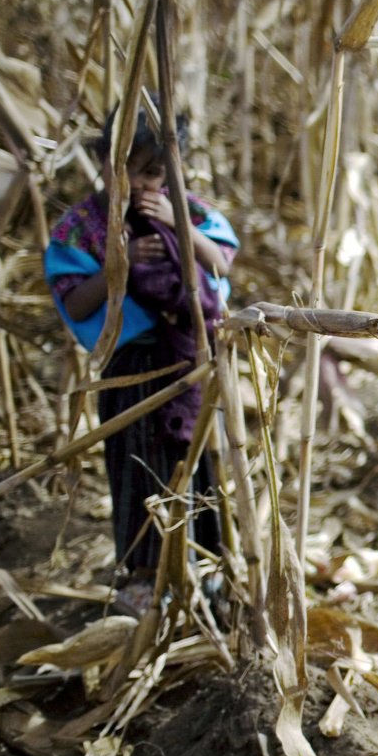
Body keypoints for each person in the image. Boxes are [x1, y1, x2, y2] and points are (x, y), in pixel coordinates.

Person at [44, 102, 238, 613]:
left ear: (172, 171)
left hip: (190, 361)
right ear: (105, 163)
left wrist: (180, 228)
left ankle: (205, 564)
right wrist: (118, 265)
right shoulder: (83, 225)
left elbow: (219, 264)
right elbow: (74, 299)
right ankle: (146, 574)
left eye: (152, 172)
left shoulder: (189, 211)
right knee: (135, 464)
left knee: (194, 464)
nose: (137, 182)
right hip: (128, 368)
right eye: (124, 167)